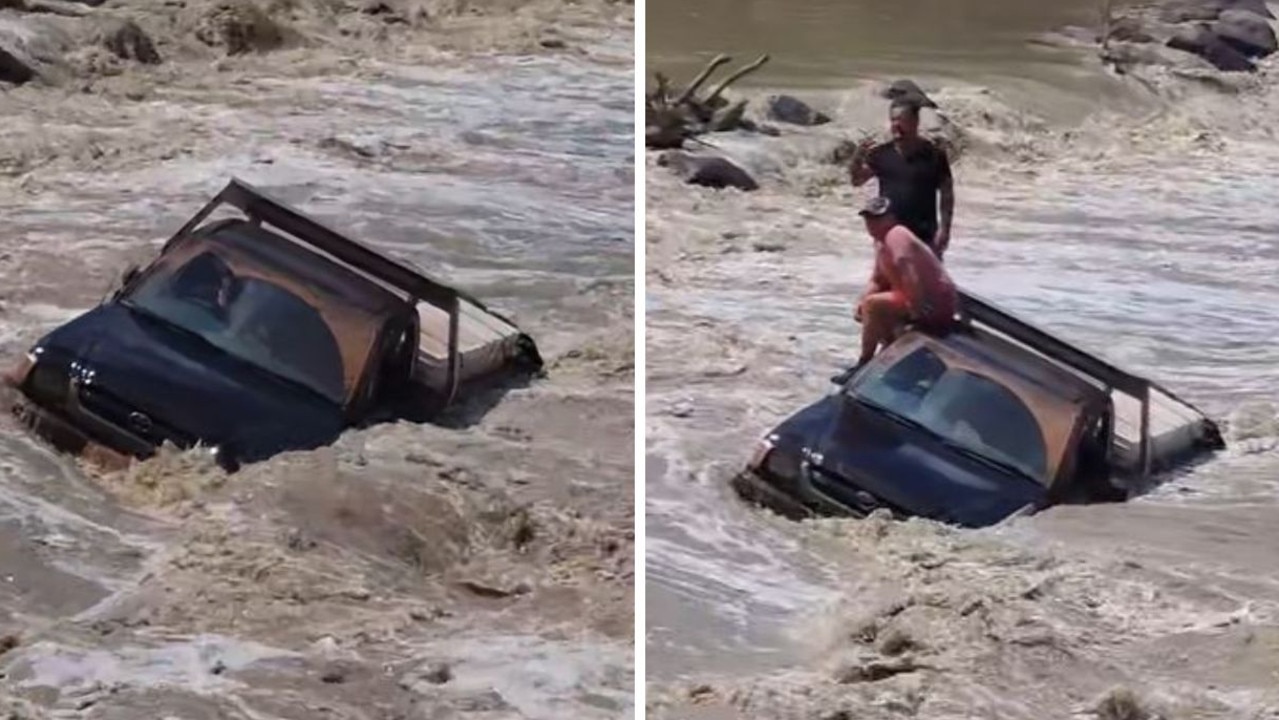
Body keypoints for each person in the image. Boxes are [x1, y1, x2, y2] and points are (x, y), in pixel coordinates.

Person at [834, 196, 957, 383]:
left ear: (891, 218)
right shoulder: (880, 243)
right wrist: (862, 300)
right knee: (868, 307)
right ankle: (892, 363)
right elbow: (877, 278)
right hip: (912, 297)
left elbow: (908, 269)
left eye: (877, 218)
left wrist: (917, 306)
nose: (872, 223)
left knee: (873, 305)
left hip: (931, 301)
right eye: (868, 218)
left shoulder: (896, 234)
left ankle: (863, 362)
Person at [848, 99, 954, 258]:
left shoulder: (933, 155)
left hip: (925, 238)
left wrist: (945, 230)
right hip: (889, 237)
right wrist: (857, 158)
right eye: (893, 120)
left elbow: (947, 194)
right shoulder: (880, 154)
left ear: (915, 121)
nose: (895, 125)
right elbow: (856, 180)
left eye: (901, 120)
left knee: (927, 283)